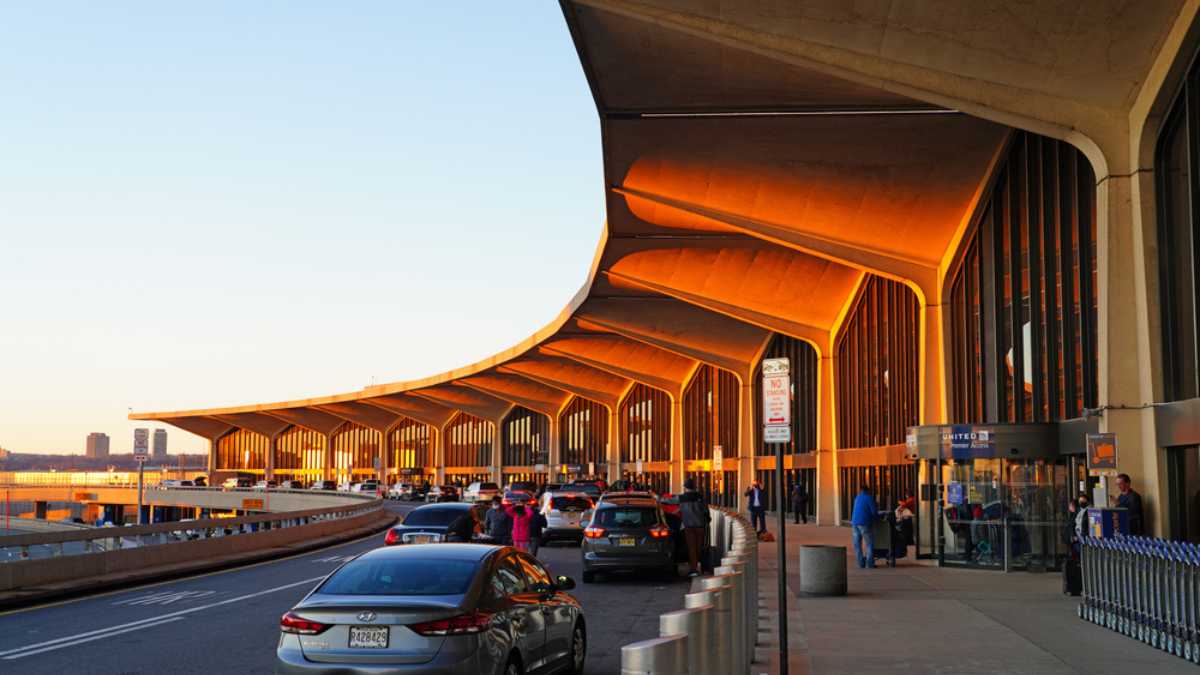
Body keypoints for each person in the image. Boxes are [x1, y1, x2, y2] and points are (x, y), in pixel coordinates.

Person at [678, 478, 712, 577]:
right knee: (700, 547)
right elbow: (706, 510)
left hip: (689, 526)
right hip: (700, 526)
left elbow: (668, 500)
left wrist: (656, 497)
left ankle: (694, 570)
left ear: (685, 487)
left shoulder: (682, 498)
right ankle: (703, 567)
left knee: (691, 548)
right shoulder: (700, 497)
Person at [850, 485, 879, 569]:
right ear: (868, 490)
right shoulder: (869, 498)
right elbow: (874, 512)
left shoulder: (857, 497)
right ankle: (869, 564)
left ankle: (860, 563)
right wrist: (878, 517)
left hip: (855, 522)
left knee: (857, 544)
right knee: (869, 543)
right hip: (864, 523)